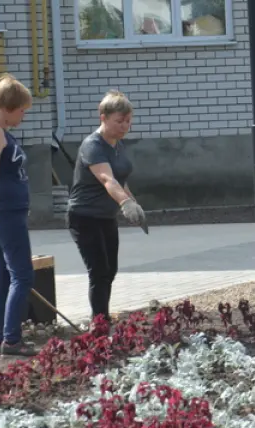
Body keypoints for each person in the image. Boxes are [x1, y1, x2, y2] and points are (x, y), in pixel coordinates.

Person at [66, 90, 147, 322]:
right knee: (99, 271)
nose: (125, 126)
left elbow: (120, 179)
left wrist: (134, 203)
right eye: (119, 121)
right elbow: (107, 179)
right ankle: (99, 323)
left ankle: (102, 317)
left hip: (105, 216)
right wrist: (125, 203)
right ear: (103, 117)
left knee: (110, 270)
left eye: (128, 121)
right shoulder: (93, 145)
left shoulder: (117, 145)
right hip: (84, 216)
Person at [0, 74, 36, 357]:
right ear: (8, 106)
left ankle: (3, 337)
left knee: (3, 277)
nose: (23, 114)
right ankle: (12, 341)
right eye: (21, 109)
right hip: (6, 214)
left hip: (8, 212)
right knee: (22, 276)